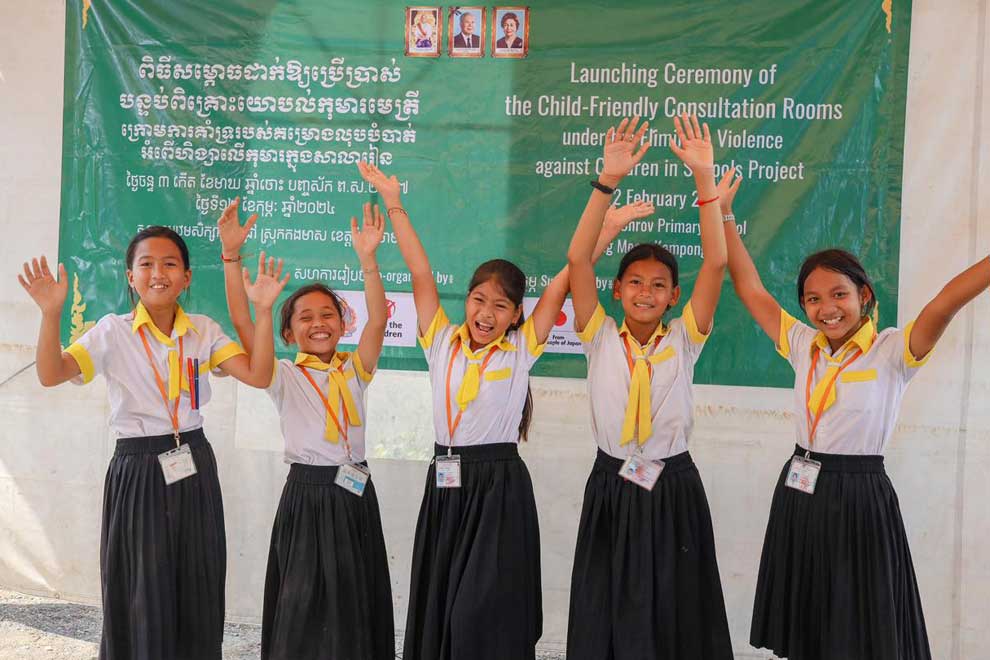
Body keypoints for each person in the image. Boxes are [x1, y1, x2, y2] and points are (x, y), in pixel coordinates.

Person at [724, 181, 990, 659]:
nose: (827, 309)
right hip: (801, 485)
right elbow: (749, 288)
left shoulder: (893, 350)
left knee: (860, 621)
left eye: (839, 294)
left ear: (864, 294)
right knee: (808, 619)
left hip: (859, 494)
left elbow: (946, 302)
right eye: (812, 299)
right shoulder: (802, 344)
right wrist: (722, 211)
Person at [17, 226, 282, 659]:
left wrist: (265, 312)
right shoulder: (111, 331)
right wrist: (51, 314)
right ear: (130, 276)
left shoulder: (202, 330)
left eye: (170, 264)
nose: (158, 273)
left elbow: (259, 375)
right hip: (137, 467)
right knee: (141, 584)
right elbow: (50, 374)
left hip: (192, 458)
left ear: (187, 277)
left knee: (197, 577)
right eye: (147, 264)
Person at [565, 114, 736, 659]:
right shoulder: (597, 335)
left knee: (676, 612)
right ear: (616, 290)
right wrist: (606, 183)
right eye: (635, 282)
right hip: (612, 481)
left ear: (673, 295)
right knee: (606, 609)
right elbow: (575, 260)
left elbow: (717, 262)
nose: (645, 292)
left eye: (658, 285)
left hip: (673, 484)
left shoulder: (685, 338)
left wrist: (704, 181)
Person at [218, 198, 394, 660]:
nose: (319, 323)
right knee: (303, 600)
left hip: (354, 492)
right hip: (308, 494)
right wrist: (232, 260)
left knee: (354, 598)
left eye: (327, 314)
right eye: (305, 317)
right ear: (289, 334)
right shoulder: (281, 374)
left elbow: (379, 319)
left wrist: (368, 260)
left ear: (341, 323)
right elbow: (240, 321)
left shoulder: (356, 368)